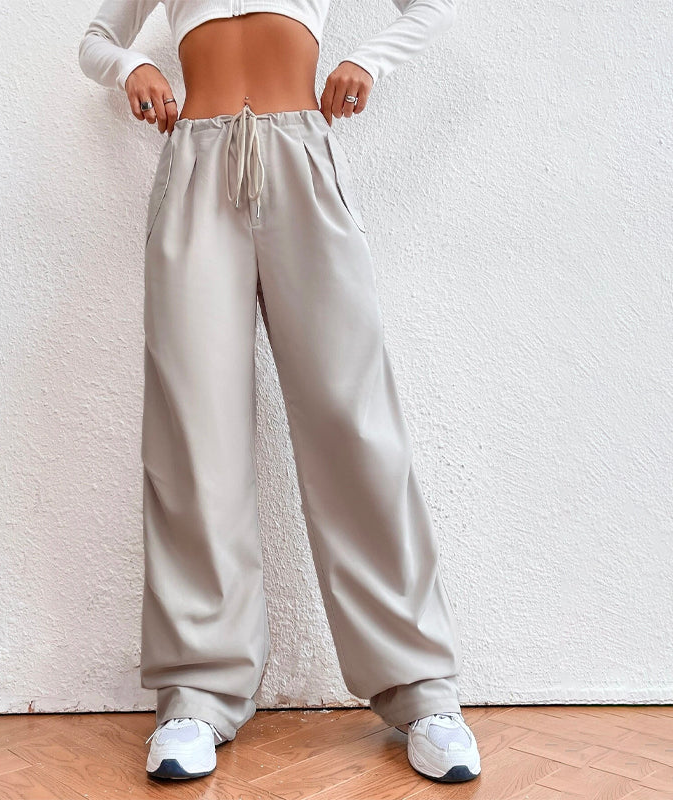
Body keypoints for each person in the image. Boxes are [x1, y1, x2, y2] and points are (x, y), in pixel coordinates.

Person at [78, 0, 481, 784]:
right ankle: (197, 692)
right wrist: (134, 67)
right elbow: (97, 39)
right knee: (195, 431)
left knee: (353, 422)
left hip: (302, 157)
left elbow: (431, 7)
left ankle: (422, 689)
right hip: (195, 168)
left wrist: (369, 61)